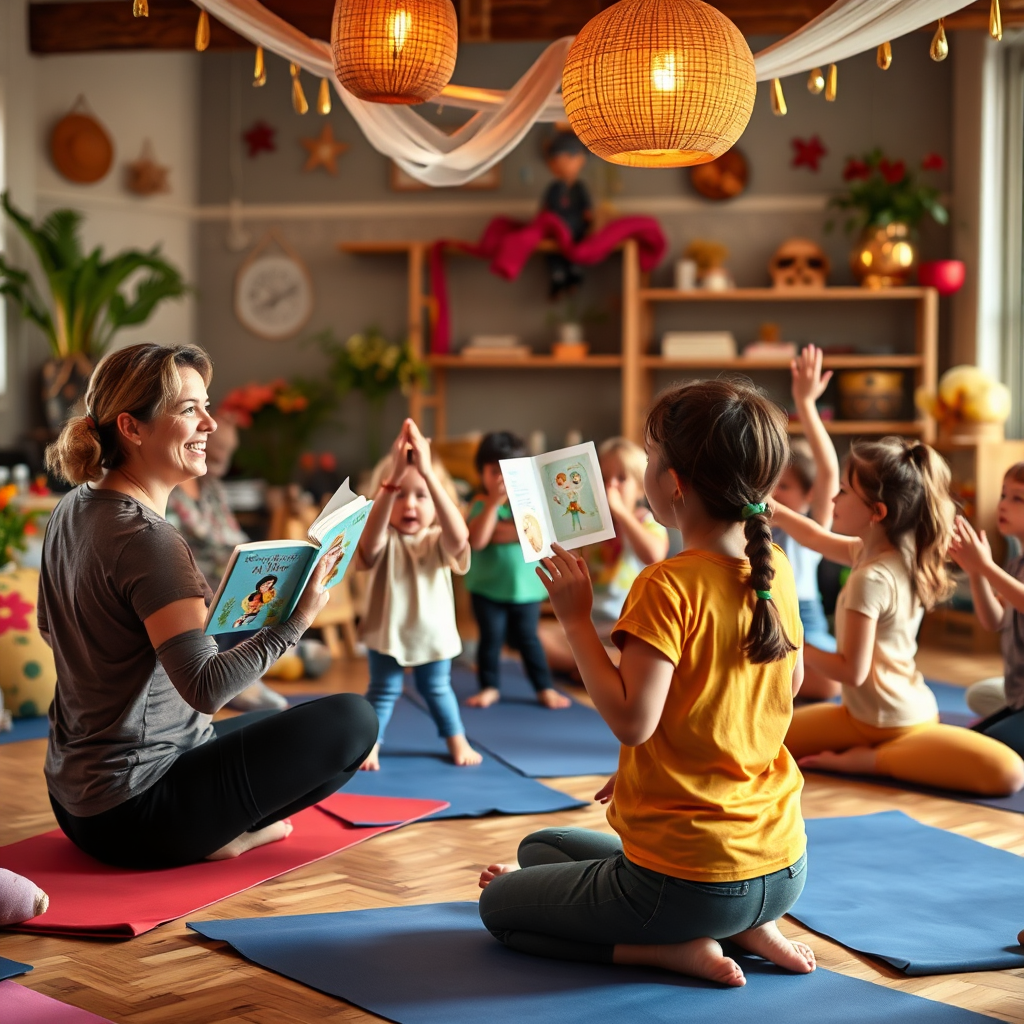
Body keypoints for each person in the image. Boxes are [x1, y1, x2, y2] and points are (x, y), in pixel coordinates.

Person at [478, 379, 815, 987]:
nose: (646, 472)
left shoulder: (666, 584)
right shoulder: (774, 570)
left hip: (692, 882)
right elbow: (783, 689)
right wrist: (652, 762)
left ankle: (669, 952)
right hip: (781, 866)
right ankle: (749, 926)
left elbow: (634, 721)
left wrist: (576, 619)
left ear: (675, 483)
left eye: (651, 459)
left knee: (499, 909)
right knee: (540, 847)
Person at [39, 343, 378, 869]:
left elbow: (52, 628)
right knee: (354, 721)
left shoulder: (72, 508)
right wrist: (298, 620)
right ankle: (221, 839)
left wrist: (199, 620)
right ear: (131, 428)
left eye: (207, 405)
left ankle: (211, 828)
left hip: (74, 801)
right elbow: (206, 688)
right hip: (134, 811)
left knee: (297, 721)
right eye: (188, 409)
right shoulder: (149, 540)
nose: (210, 425)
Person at [774, 438, 1024, 797]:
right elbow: (815, 537)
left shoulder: (871, 578)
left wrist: (790, 641)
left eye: (843, 492)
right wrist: (773, 510)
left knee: (1007, 773)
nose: (832, 500)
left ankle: (869, 760)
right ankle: (871, 753)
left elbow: (850, 671)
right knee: (764, 738)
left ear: (877, 512)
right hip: (869, 716)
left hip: (887, 722)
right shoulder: (890, 553)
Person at [356, 418, 481, 771]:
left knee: (437, 689)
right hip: (387, 632)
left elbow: (460, 540)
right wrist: (392, 479)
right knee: (382, 690)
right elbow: (370, 541)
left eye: (421, 495)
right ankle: (372, 744)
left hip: (433, 634)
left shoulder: (436, 539)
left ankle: (457, 738)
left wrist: (428, 473)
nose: (409, 505)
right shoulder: (385, 536)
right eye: (400, 496)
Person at [167, 416, 289, 712]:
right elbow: (170, 549)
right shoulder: (172, 491)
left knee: (274, 583)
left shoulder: (213, 488)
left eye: (229, 450)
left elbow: (234, 534)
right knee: (246, 592)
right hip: (201, 579)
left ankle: (252, 663)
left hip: (229, 571)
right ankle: (239, 677)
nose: (223, 456)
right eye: (218, 447)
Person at [540, 437, 669, 677]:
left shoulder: (646, 522)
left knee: (645, 650)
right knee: (537, 639)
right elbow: (575, 564)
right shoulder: (593, 528)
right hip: (589, 622)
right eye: (604, 477)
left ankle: (592, 667)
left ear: (641, 487)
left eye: (621, 478)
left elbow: (654, 555)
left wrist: (621, 511)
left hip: (627, 627)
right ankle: (597, 667)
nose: (611, 485)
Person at [464, 431, 570, 709]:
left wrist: (504, 532)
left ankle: (543, 687)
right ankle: (489, 686)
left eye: (507, 471)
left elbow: (542, 534)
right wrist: (495, 507)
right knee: (490, 640)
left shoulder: (529, 506)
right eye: (493, 470)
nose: (500, 479)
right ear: (481, 472)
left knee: (529, 640)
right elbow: (478, 540)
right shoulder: (479, 504)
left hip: (526, 591)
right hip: (486, 589)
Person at [773, 345, 841, 699]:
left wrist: (806, 406)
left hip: (804, 618)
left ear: (808, 495)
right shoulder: (754, 522)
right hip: (758, 617)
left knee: (831, 682)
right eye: (771, 485)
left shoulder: (809, 530)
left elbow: (830, 471)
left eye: (784, 487)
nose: (775, 494)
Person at [948, 463, 1024, 756]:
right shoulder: (1016, 565)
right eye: (1004, 495)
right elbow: (994, 620)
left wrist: (986, 567)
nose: (1002, 504)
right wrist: (977, 573)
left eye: (1018, 498)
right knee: (979, 704)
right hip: (1018, 694)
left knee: (986, 747)